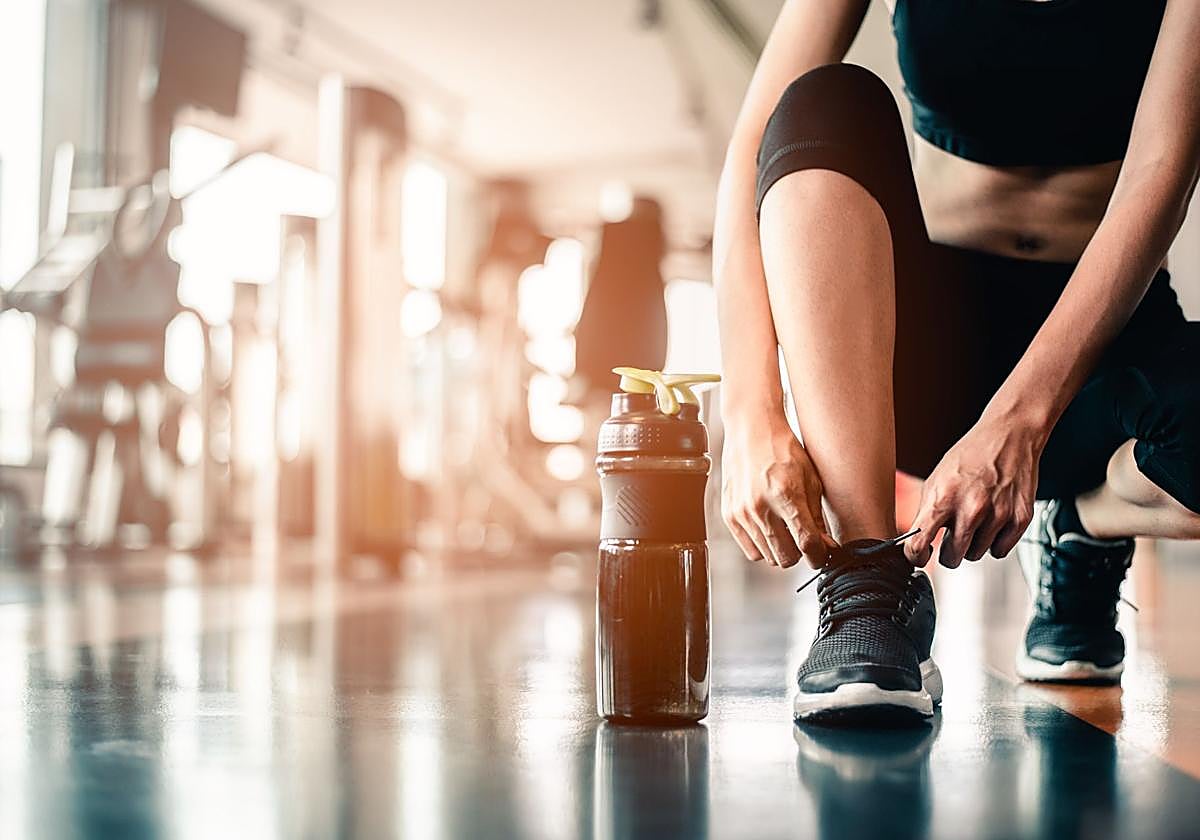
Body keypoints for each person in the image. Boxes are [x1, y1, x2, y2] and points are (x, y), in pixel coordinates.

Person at [714, 0, 1200, 721]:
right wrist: (750, 408)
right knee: (824, 101)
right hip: (929, 348)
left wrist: (1021, 422)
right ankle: (868, 589)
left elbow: (1162, 166)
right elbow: (755, 144)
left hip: (1103, 350)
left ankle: (1083, 526)